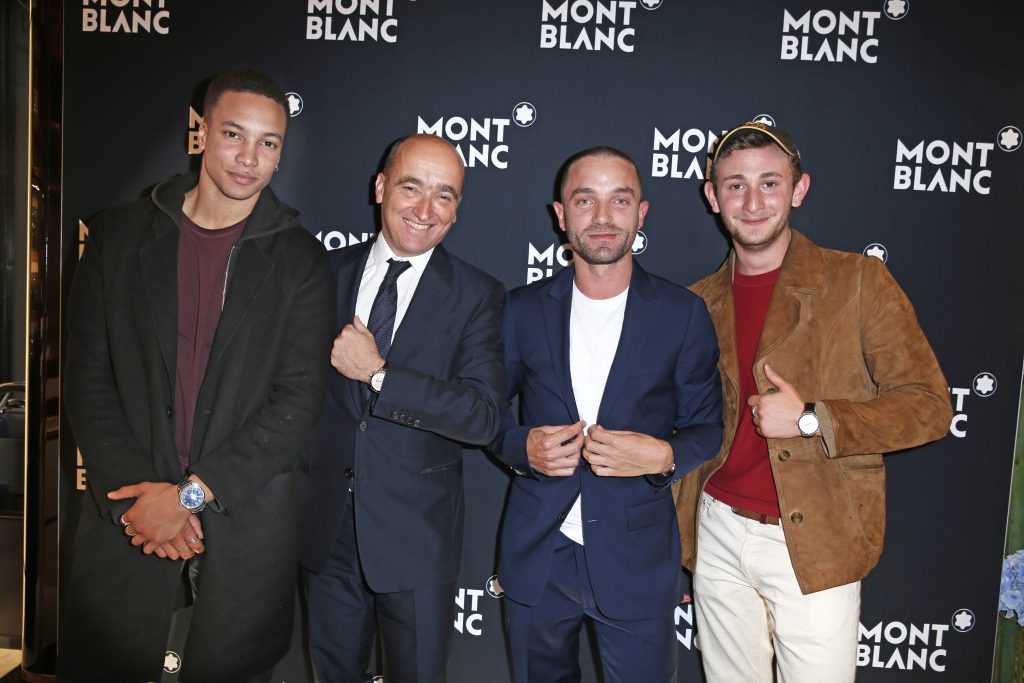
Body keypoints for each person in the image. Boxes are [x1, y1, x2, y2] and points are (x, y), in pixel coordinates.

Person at [58, 69, 334, 682]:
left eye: (268, 142)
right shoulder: (118, 237)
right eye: (234, 134)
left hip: (242, 525)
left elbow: (297, 400)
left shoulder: (302, 261)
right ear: (200, 131)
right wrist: (140, 503)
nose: (249, 157)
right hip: (128, 516)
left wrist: (190, 495)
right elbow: (89, 377)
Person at [678, 121, 953, 681]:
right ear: (713, 196)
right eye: (735, 185)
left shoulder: (858, 282)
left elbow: (929, 406)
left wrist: (811, 418)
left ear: (799, 189)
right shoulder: (695, 303)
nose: (752, 202)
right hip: (717, 531)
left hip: (816, 536)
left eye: (770, 183)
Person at [491, 146, 723, 682]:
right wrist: (522, 447)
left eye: (619, 200)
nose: (602, 217)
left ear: (641, 213)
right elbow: (489, 413)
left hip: (636, 556)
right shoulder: (521, 309)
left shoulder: (682, 313)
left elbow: (708, 427)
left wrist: (663, 455)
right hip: (538, 553)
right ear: (561, 215)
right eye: (585, 200)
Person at [298, 134, 507, 683]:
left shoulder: (477, 295)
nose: (425, 209)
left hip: (417, 539)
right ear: (380, 187)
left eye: (444, 195)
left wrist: (379, 373)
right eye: (411, 187)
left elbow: (483, 416)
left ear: (457, 210)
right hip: (326, 531)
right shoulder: (322, 273)